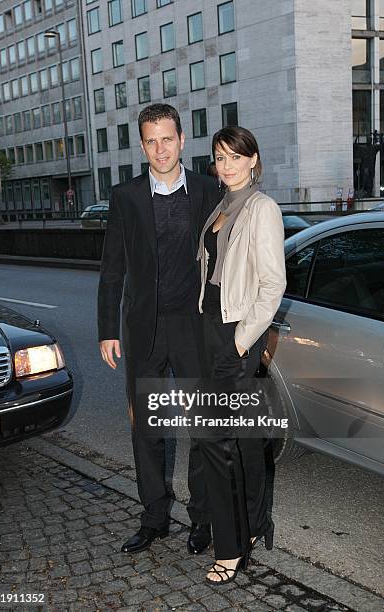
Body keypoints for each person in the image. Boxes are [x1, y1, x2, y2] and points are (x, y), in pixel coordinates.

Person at [98, 104, 220, 555]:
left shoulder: (209, 191)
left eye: (167, 138)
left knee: (202, 426)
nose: (159, 148)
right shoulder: (126, 196)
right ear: (143, 145)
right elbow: (112, 268)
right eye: (151, 140)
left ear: (182, 140)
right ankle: (154, 517)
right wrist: (107, 328)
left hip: (194, 327)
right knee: (148, 429)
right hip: (144, 329)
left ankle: (202, 519)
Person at [196, 126, 286, 584]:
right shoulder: (221, 205)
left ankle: (230, 549)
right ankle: (254, 524)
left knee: (218, 443)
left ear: (253, 159)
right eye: (219, 157)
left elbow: (272, 285)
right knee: (247, 440)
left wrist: (240, 340)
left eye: (235, 156)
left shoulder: (261, 208)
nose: (227, 165)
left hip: (235, 337)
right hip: (213, 330)